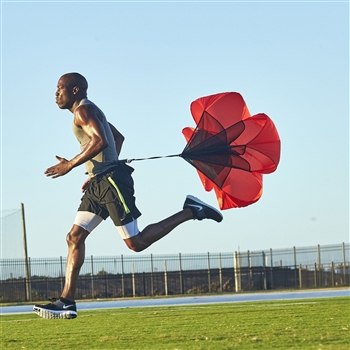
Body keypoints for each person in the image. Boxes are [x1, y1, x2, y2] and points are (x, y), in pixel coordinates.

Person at [33, 73, 223, 319]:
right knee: (74, 237)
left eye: (60, 88)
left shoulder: (83, 112)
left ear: (76, 90)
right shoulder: (86, 111)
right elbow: (117, 139)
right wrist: (96, 171)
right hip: (100, 182)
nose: (56, 93)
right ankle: (66, 301)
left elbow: (101, 141)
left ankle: (191, 210)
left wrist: (70, 165)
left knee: (136, 243)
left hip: (112, 183)